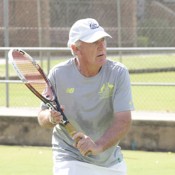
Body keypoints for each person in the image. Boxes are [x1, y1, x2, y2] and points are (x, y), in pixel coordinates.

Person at [38, 18, 134, 175]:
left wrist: (98, 146)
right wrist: (50, 117)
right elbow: (42, 117)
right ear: (76, 49)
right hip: (69, 157)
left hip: (109, 160)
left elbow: (123, 120)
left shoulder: (118, 73)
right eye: (94, 42)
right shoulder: (58, 74)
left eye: (102, 39)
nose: (101, 46)